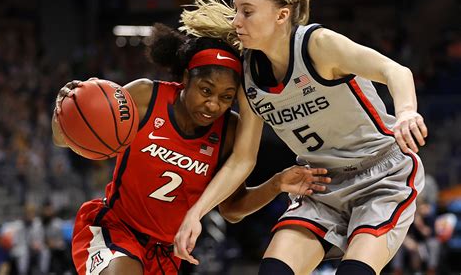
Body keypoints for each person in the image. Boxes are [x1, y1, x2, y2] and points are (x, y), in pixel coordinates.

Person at [173, 0, 428, 275]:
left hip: (382, 176)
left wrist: (406, 112)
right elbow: (242, 159)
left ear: (282, 15)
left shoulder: (317, 45)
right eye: (236, 11)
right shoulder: (249, 76)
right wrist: (195, 213)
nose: (236, 21)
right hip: (321, 183)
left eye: (247, 12)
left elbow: (395, 71)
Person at [51, 23, 328, 275]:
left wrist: (277, 183)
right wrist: (65, 113)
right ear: (186, 78)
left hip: (167, 254)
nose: (213, 105)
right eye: (206, 90)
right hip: (115, 229)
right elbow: (65, 139)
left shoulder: (229, 131)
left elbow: (232, 209)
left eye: (226, 97)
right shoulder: (147, 96)